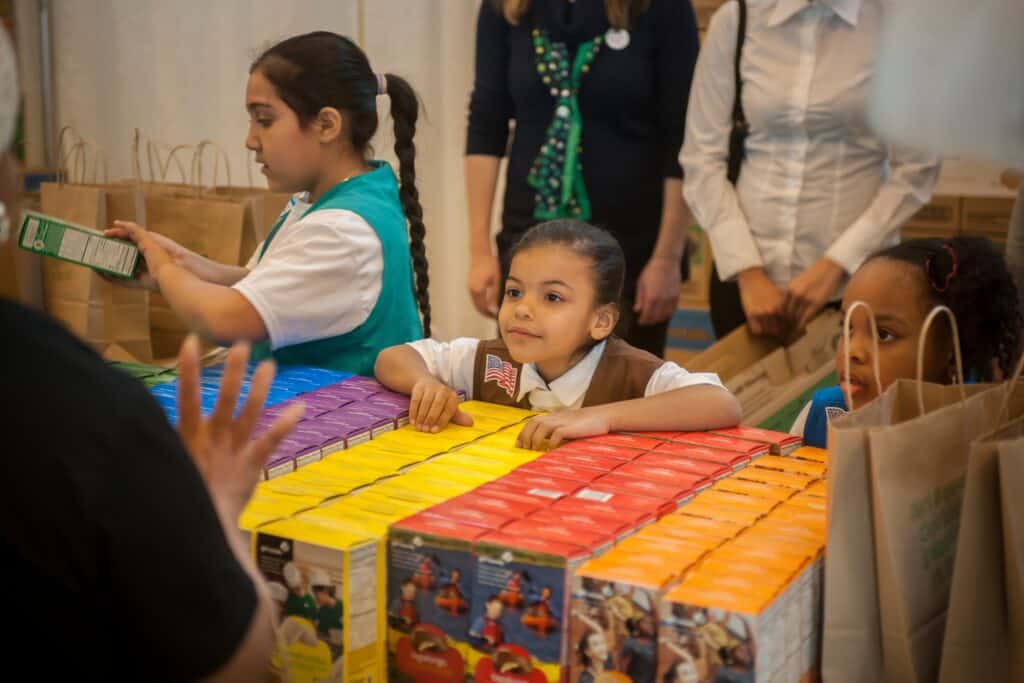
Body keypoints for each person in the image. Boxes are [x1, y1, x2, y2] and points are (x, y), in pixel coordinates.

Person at [107, 31, 429, 375]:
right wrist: (183, 263)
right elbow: (265, 283)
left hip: (344, 421)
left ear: (326, 125)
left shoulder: (342, 230)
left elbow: (223, 320)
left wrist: (163, 269)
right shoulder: (342, 195)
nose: (250, 140)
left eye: (264, 120)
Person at [681, 0, 942, 340]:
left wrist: (834, 265)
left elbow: (916, 168)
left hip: (853, 288)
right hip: (746, 288)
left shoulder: (896, 26)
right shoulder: (738, 18)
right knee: (738, 395)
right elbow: (701, 157)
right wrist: (749, 272)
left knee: (842, 396)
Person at [375, 220, 740, 451]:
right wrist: (425, 382)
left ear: (601, 321)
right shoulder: (488, 360)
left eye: (552, 297)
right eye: (514, 292)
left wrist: (602, 417)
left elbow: (721, 403)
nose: (522, 309)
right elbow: (392, 357)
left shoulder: (632, 373)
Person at [465, 0, 701, 356]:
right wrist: (480, 251)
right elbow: (486, 122)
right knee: (526, 385)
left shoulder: (661, 8)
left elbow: (682, 136)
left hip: (631, 250)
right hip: (529, 240)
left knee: (623, 394)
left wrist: (667, 258)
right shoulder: (505, 7)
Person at [791, 236, 1023, 447]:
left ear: (950, 349)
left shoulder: (986, 431)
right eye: (847, 327)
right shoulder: (819, 418)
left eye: (884, 335)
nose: (852, 351)